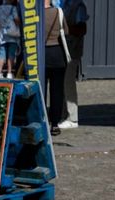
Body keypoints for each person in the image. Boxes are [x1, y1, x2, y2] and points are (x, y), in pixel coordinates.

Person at [59, 0, 89, 130]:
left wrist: (63, 29)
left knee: (68, 84)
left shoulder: (78, 5)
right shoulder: (64, 4)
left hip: (72, 50)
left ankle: (72, 118)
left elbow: (82, 29)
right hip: (64, 49)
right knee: (63, 85)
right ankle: (64, 115)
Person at [42, 0, 69, 135]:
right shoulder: (58, 12)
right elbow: (66, 31)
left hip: (41, 56)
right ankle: (55, 123)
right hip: (58, 54)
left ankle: (42, 119)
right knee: (57, 91)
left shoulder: (36, 15)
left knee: (41, 90)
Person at [0, 0, 20, 78]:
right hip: (13, 35)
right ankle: (9, 73)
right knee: (11, 54)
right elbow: (16, 19)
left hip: (2, 34)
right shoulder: (13, 8)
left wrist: (3, 24)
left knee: (2, 53)